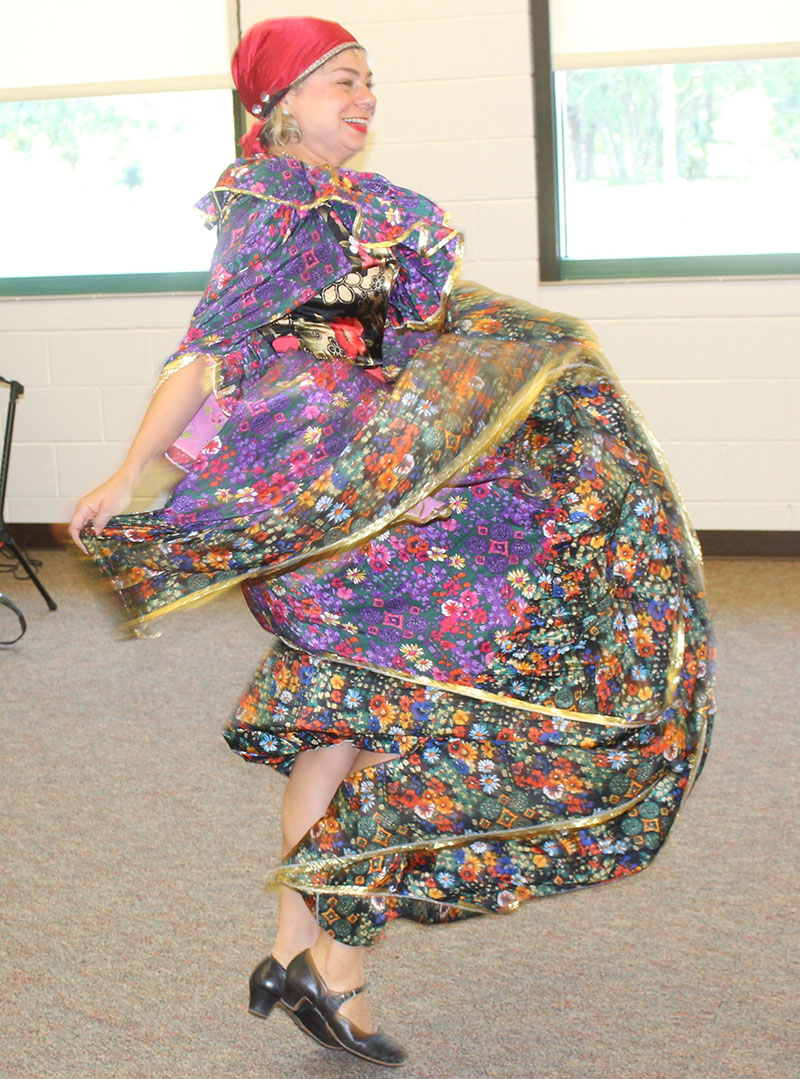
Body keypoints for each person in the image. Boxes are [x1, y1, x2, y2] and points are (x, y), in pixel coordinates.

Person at [69, 16, 715, 1069]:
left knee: (340, 723)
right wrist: (127, 470)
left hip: (380, 491)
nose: (363, 98)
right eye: (340, 81)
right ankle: (338, 959)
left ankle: (295, 951)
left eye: (370, 81)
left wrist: (533, 361)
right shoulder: (269, 202)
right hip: (340, 511)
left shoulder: (376, 212)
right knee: (403, 713)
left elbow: (399, 344)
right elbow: (204, 350)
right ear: (278, 102)